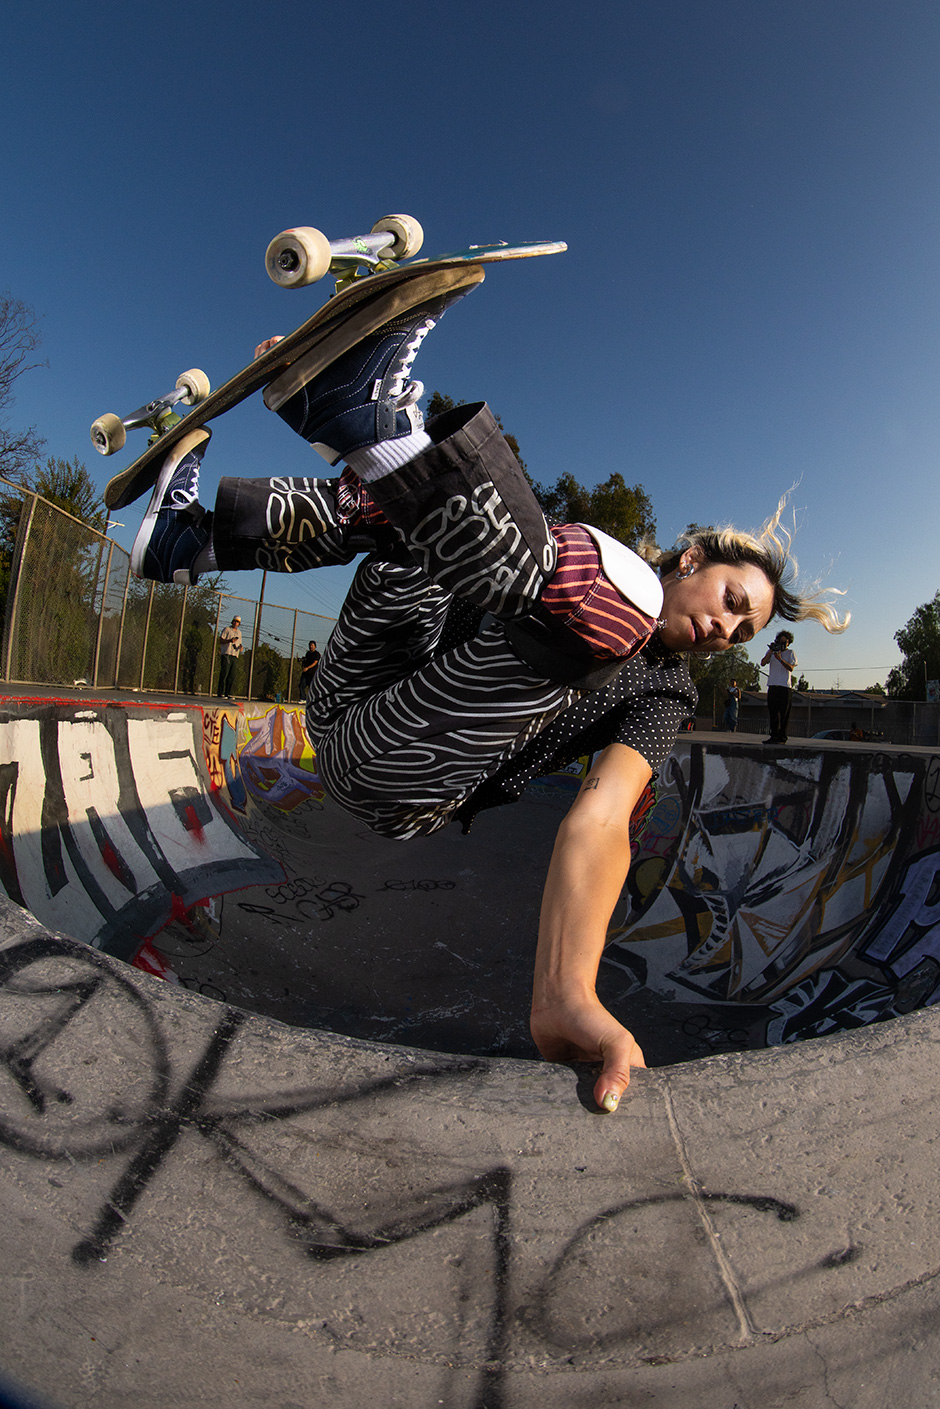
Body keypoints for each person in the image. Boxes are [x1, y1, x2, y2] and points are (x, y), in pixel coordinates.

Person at [129, 273, 849, 1112]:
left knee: (607, 599)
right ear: (694, 560)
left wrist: (566, 991)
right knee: (436, 519)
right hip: (355, 683)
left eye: (744, 633)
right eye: (732, 603)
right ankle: (194, 538)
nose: (728, 632)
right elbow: (475, 547)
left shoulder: (661, 688)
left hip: (404, 766)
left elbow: (603, 818)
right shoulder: (570, 553)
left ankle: (361, 424)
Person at [761, 630, 797, 743]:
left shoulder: (790, 653)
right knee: (773, 712)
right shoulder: (772, 652)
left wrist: (780, 659)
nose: (782, 644)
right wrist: (771, 651)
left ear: (788, 643)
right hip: (773, 685)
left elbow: (791, 668)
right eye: (780, 641)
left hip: (784, 687)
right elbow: (762, 663)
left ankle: (782, 737)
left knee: (784, 713)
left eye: (785, 642)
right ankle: (773, 735)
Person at [218, 615, 242, 698]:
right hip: (226, 654)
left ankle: (228, 693)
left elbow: (239, 642)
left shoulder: (239, 632)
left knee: (232, 675)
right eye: (235, 621)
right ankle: (220, 692)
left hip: (234, 655)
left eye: (237, 622)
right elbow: (221, 640)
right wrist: (229, 641)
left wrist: (240, 647)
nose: (236, 623)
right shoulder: (227, 629)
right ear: (232, 621)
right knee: (224, 673)